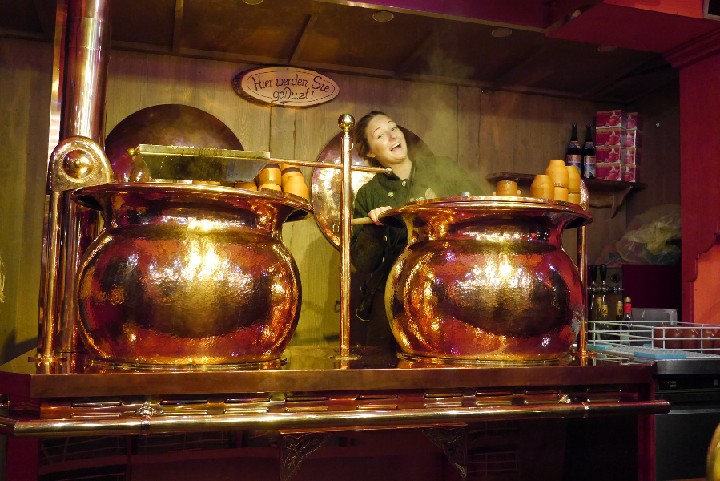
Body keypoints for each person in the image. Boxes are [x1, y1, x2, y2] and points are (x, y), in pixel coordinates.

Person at [350, 111, 483, 346]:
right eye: (380, 135)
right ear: (370, 152)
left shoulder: (442, 168)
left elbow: (478, 209)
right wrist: (375, 227)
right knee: (383, 359)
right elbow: (364, 263)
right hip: (395, 292)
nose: (392, 135)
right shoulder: (369, 193)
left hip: (450, 285)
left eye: (393, 127)